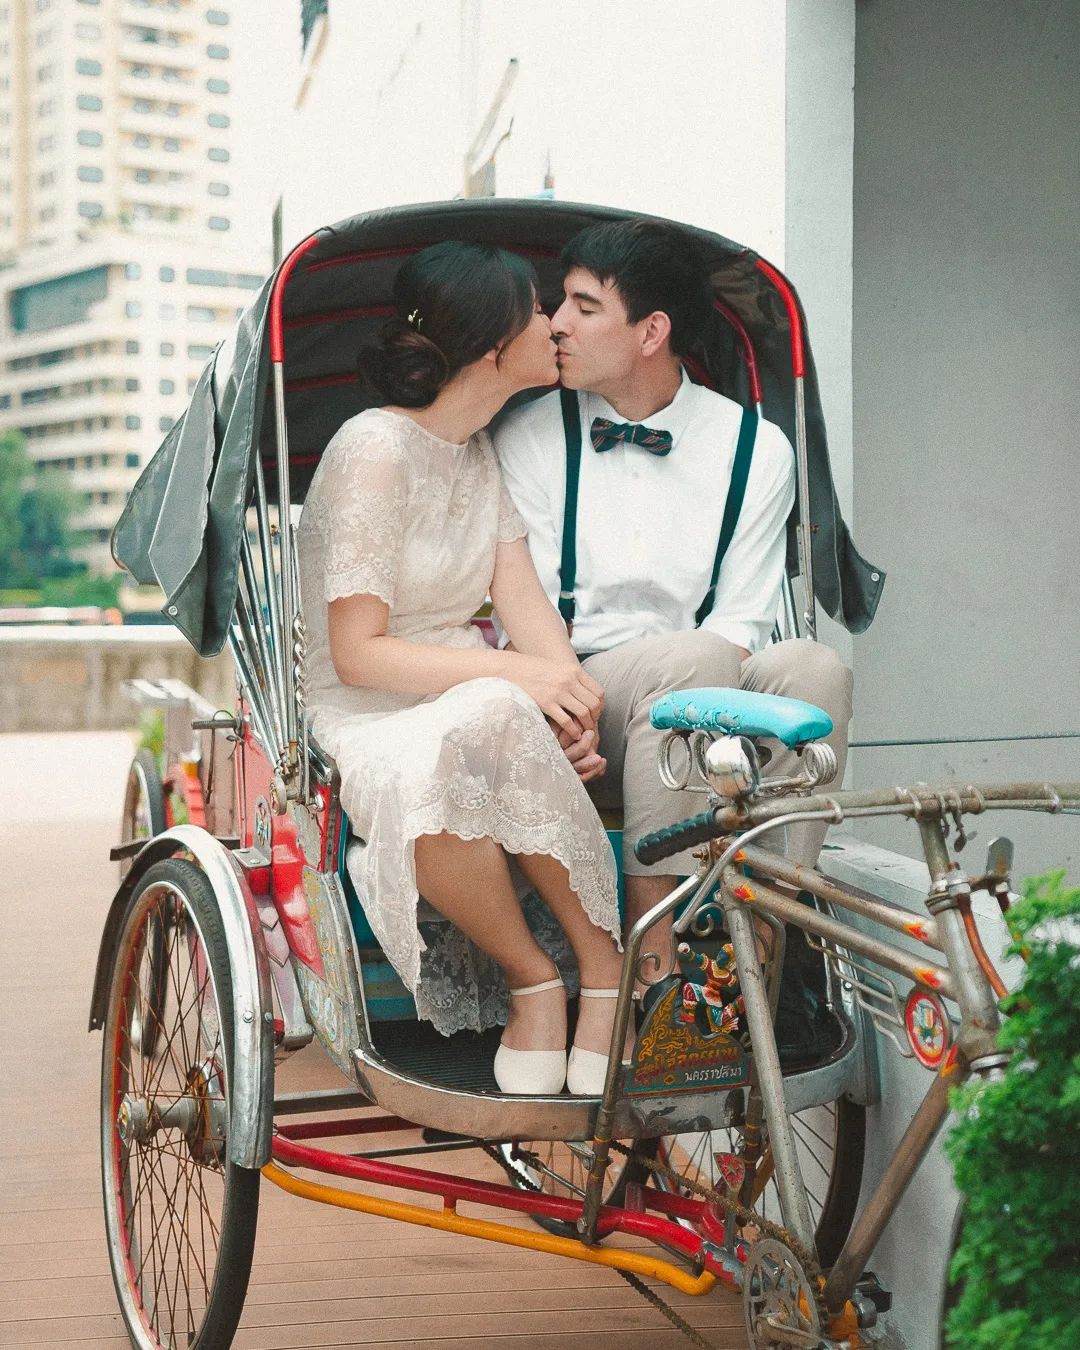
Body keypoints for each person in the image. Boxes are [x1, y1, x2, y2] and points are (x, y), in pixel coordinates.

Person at [296, 241, 626, 1096]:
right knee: (490, 707)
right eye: (537, 312)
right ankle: (534, 979)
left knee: (498, 709)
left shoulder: (477, 456)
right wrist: (520, 684)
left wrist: (571, 718)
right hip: (366, 711)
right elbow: (356, 653)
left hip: (471, 701)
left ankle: (606, 971)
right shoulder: (373, 449)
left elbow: (533, 627)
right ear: (491, 346)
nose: (556, 327)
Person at [492, 218, 854, 988]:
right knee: (695, 659)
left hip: (700, 685)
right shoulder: (527, 434)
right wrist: (564, 706)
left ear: (651, 330)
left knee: (815, 669)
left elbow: (743, 621)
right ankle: (655, 975)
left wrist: (705, 672)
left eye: (584, 307)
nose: (556, 323)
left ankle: (763, 960)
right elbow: (519, 616)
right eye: (562, 303)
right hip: (577, 701)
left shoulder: (756, 448)